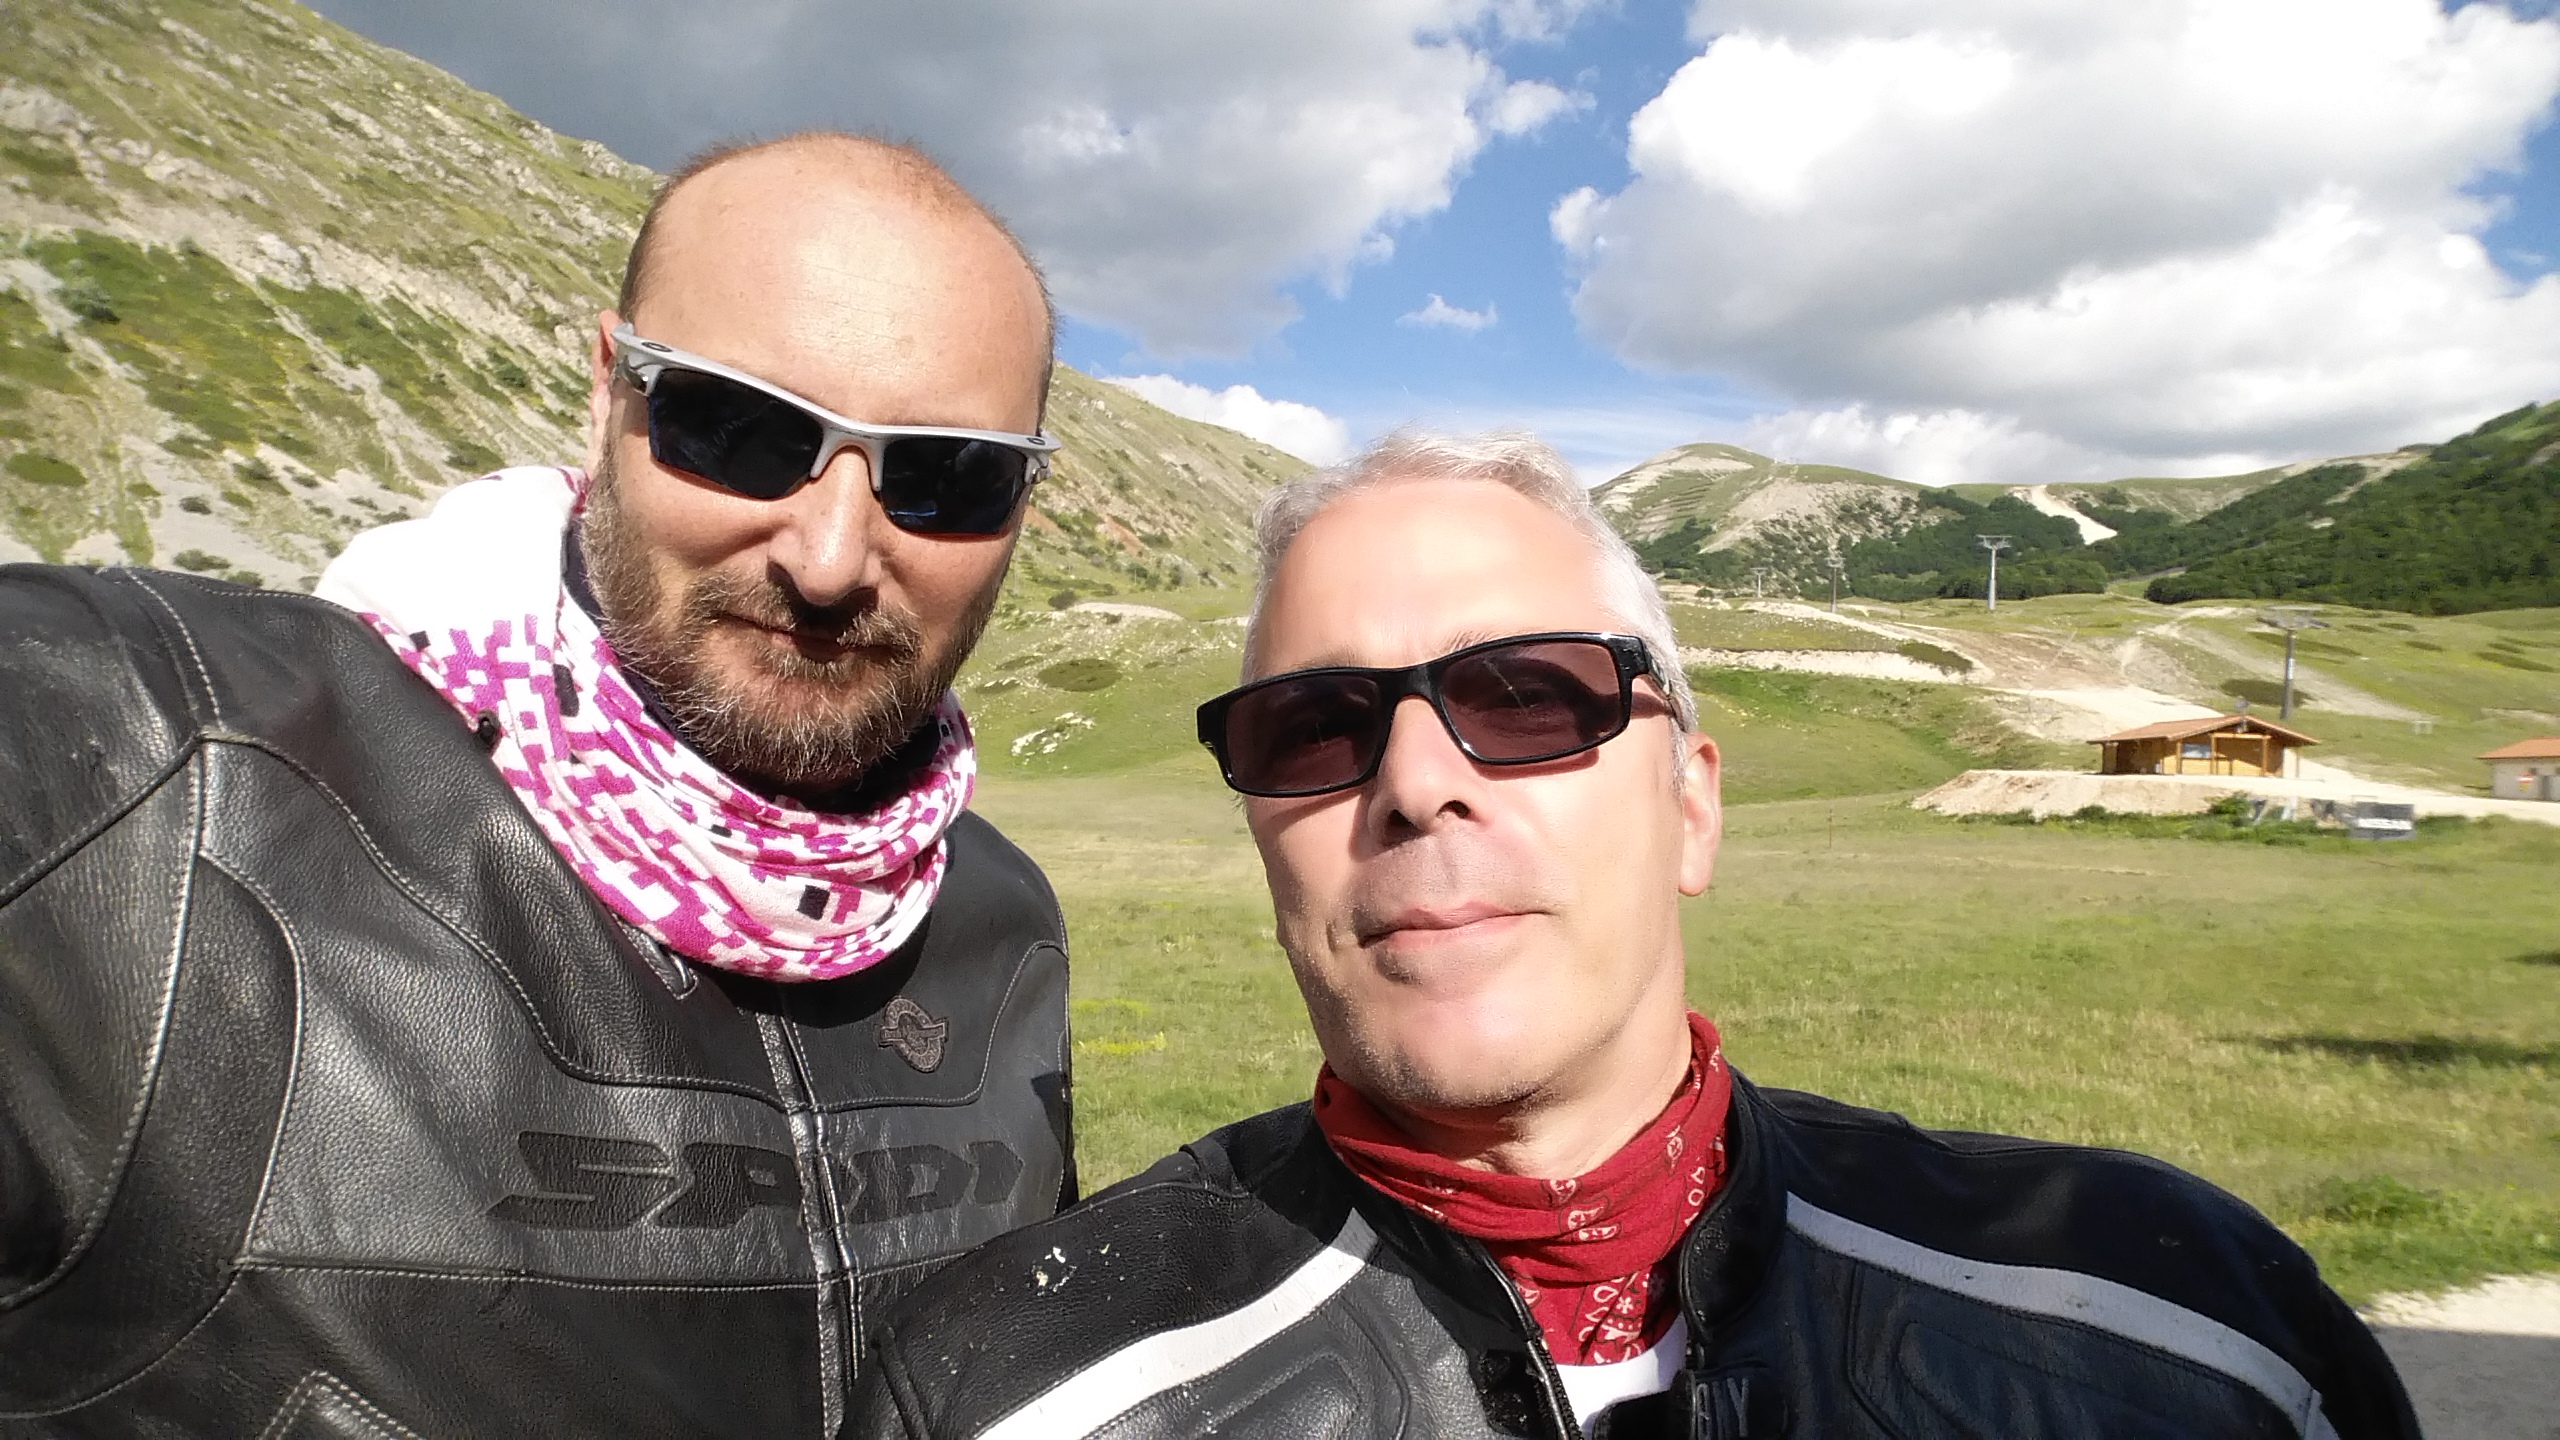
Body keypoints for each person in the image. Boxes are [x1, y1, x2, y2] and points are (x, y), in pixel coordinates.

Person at [851, 432, 2418, 1439]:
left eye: (1528, 697)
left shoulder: (2184, 1333)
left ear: (1691, 805)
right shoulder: (1022, 1391)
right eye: (1313, 728)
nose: (1414, 783)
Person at [0, 133, 1074, 1436]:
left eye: (949, 478)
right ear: (609, 390)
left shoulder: (1003, 925)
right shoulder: (139, 763)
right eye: (738, 429)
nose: (831, 557)